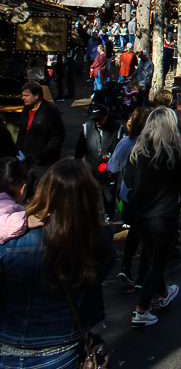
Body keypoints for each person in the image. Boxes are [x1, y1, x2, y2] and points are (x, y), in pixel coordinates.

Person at [0, 158, 115, 369]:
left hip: (7, 348)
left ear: (44, 191)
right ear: (90, 197)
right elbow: (102, 271)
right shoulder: (98, 240)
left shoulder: (10, 237)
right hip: (63, 350)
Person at [124, 107, 181, 327]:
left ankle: (164, 293)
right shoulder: (173, 153)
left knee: (154, 258)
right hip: (164, 215)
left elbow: (127, 181)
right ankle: (141, 310)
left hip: (141, 215)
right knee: (157, 263)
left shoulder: (137, 151)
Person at [109, 107, 151, 287]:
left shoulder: (125, 143)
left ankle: (125, 266)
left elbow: (113, 168)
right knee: (148, 236)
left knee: (134, 231)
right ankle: (142, 274)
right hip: (148, 195)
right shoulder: (153, 143)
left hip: (128, 194)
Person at [75, 103, 123, 222]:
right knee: (90, 196)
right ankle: (91, 219)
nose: (97, 122)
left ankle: (109, 217)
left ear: (107, 116)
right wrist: (77, 164)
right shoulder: (87, 128)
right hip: (91, 169)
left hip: (109, 172)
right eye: (95, 119)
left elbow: (121, 150)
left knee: (110, 196)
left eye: (100, 119)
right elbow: (80, 148)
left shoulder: (117, 128)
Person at [16, 82, 65, 179]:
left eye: (26, 95)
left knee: (42, 189)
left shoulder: (50, 110)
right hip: (25, 159)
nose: (23, 98)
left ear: (36, 96)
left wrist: (44, 155)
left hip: (42, 163)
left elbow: (59, 135)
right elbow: (22, 131)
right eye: (23, 96)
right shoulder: (26, 109)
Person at [0, 157, 42, 244]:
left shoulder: (5, 204)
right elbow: (2, 226)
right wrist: (26, 221)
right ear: (22, 189)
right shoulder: (5, 206)